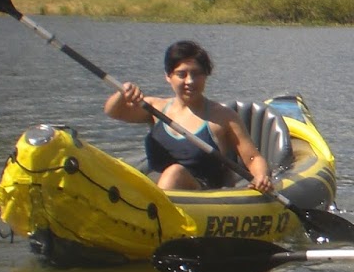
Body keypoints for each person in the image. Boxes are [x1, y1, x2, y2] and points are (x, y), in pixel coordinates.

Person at [103, 40, 274, 193]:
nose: (190, 81)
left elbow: (253, 158)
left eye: (196, 73)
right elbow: (114, 111)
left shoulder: (223, 117)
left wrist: (261, 177)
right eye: (181, 74)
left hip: (202, 196)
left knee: (174, 173)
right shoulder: (155, 108)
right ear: (168, 76)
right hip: (154, 191)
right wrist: (122, 93)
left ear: (205, 76)